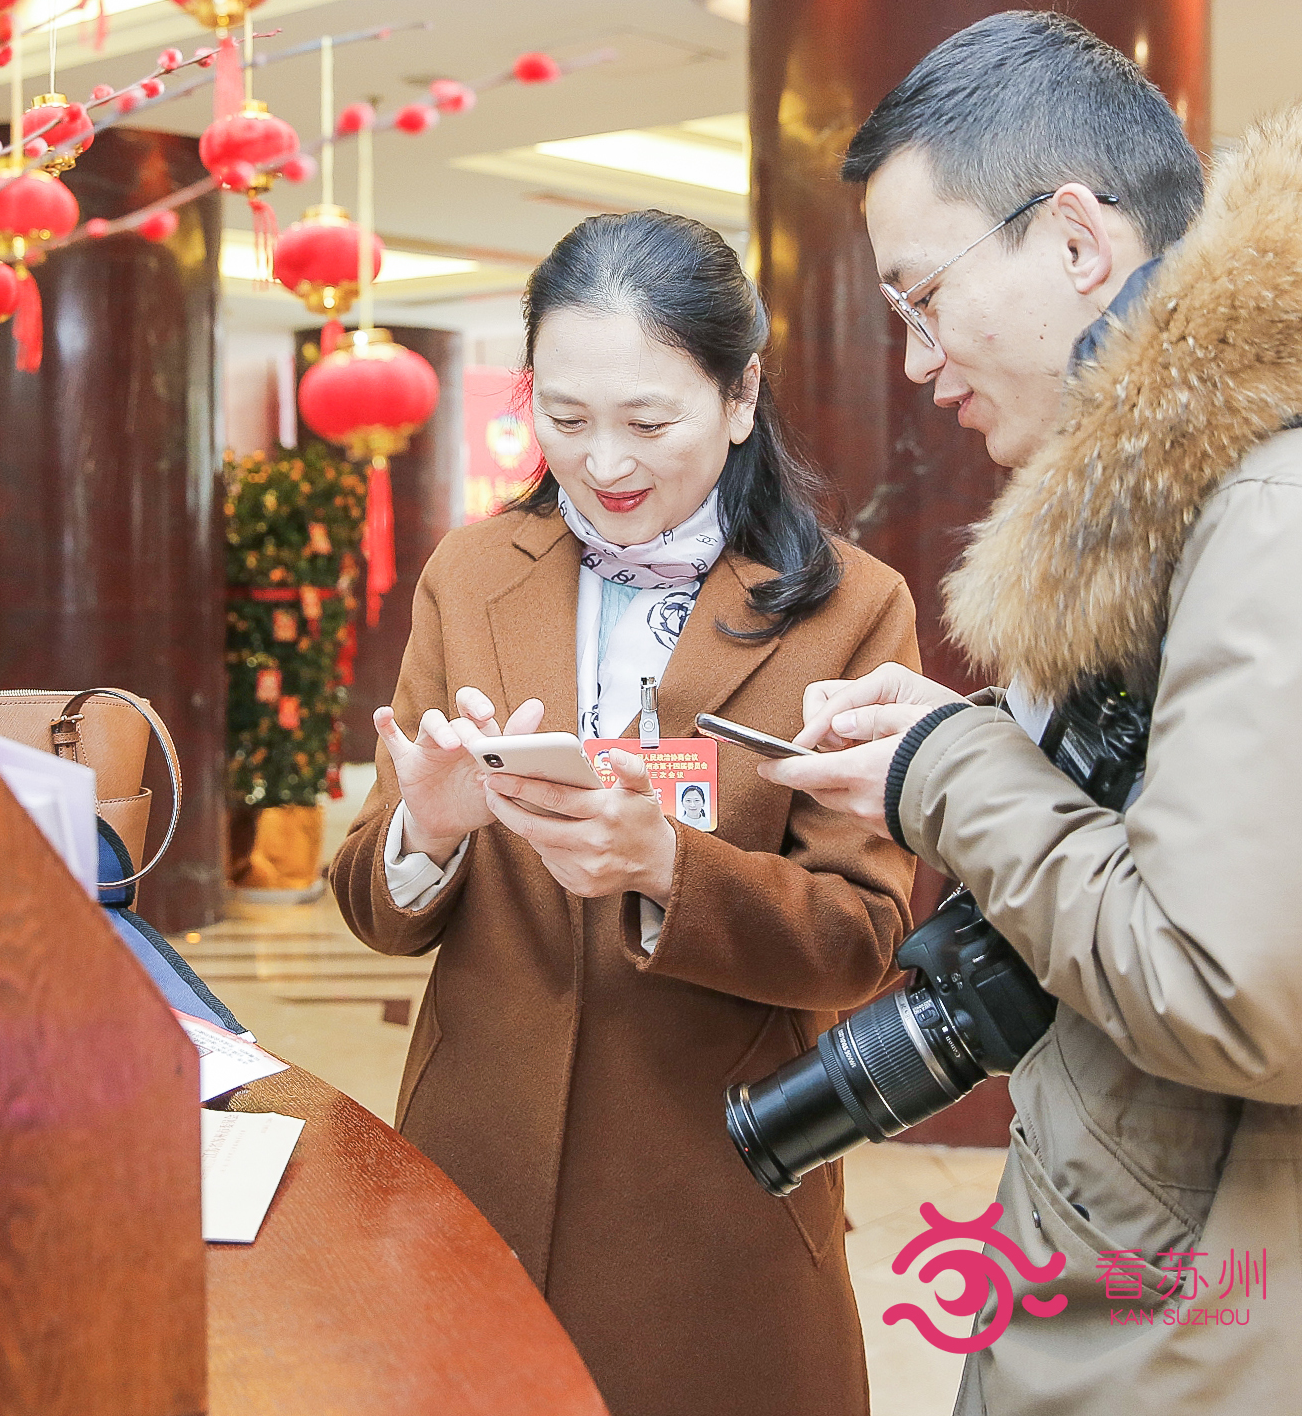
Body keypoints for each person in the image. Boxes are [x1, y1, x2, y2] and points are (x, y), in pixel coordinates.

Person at [759, 12, 1302, 1413]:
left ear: (1073, 239)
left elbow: (1237, 1000)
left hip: (1246, 1343)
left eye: (923, 299)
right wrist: (973, 745)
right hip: (1171, 1297)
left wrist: (949, 765)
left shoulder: (1296, 515)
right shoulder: (1214, 502)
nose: (918, 361)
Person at [329, 209, 920, 1416]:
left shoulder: (851, 610)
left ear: (740, 396)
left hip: (716, 1185)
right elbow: (375, 910)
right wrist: (424, 832)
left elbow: (863, 938)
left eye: (650, 423)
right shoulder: (470, 575)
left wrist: (670, 870)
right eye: (565, 418)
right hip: (478, 1157)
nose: (604, 465)